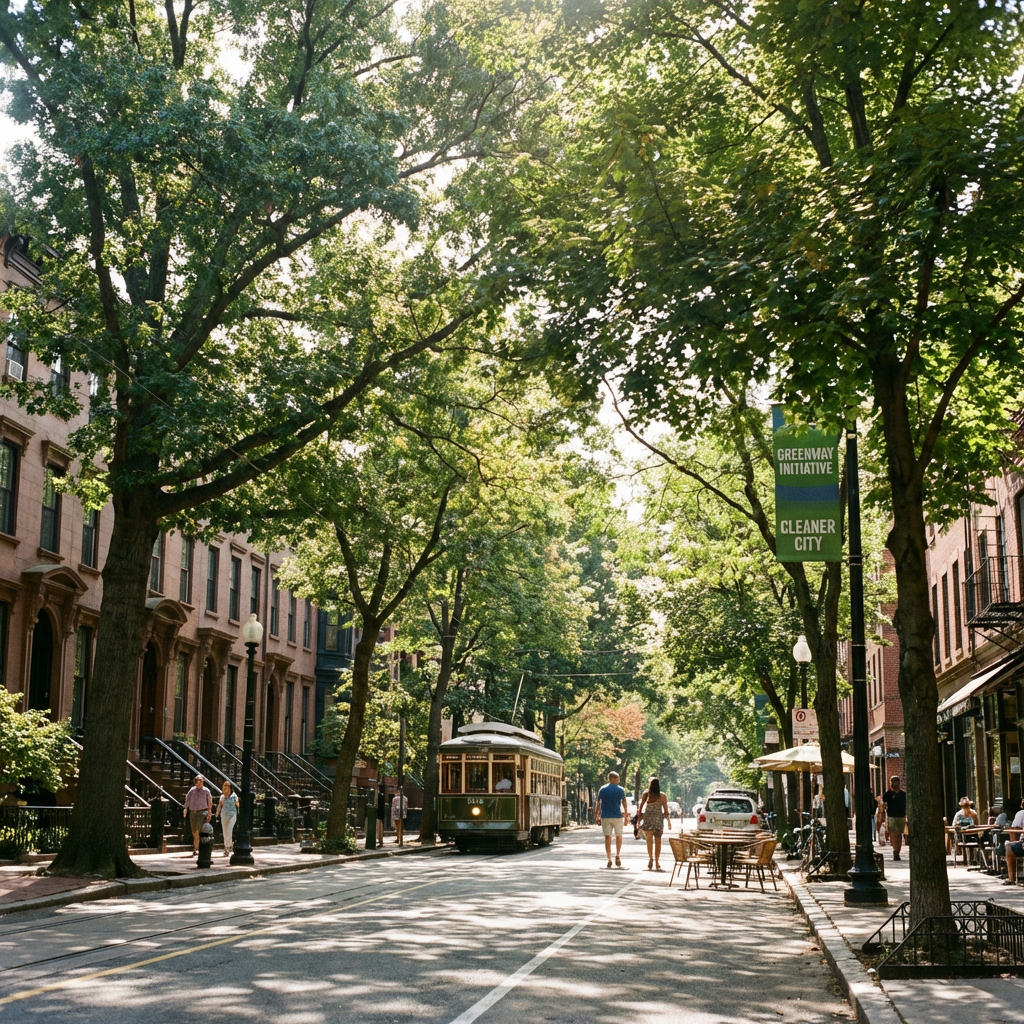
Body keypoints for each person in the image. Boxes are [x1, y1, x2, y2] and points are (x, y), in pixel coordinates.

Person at [595, 770, 629, 869]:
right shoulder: (620, 790)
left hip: (605, 816)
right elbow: (624, 803)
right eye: (617, 779)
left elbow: (598, 803)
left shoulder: (602, 789)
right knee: (619, 836)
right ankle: (618, 855)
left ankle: (609, 859)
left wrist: (597, 815)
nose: (618, 781)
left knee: (607, 837)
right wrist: (626, 816)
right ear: (613, 779)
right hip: (617, 816)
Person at [636, 776, 672, 871]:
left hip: (648, 819)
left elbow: (640, 809)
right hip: (658, 820)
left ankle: (651, 858)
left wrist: (639, 820)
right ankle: (657, 861)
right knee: (658, 841)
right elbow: (665, 810)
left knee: (649, 841)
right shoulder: (662, 795)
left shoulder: (646, 794)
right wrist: (668, 821)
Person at [183, 775, 213, 856]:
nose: (199, 783)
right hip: (193, 812)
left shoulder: (206, 791)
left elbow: (209, 802)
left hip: (202, 812)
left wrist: (209, 813)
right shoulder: (192, 790)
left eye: (200, 781)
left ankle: (197, 848)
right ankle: (196, 848)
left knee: (198, 831)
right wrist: (185, 809)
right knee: (194, 832)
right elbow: (187, 799)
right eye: (197, 781)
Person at [883, 776, 907, 861]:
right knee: (893, 834)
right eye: (892, 782)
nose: (894, 784)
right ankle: (895, 850)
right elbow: (884, 804)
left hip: (900, 816)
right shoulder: (888, 794)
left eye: (896, 782)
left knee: (899, 835)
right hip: (891, 816)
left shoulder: (903, 795)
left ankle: (897, 851)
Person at [1000, 805, 1024, 885]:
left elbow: (1014, 829)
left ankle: (1011, 878)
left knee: (1009, 847)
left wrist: (1014, 841)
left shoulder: (1021, 813)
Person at [216, 780, 239, 857]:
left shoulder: (234, 796)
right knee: (225, 832)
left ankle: (229, 845)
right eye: (224, 785)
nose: (225, 787)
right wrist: (217, 813)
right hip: (224, 815)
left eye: (227, 785)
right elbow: (220, 806)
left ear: (230, 787)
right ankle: (227, 847)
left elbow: (238, 804)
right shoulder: (222, 797)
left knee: (229, 829)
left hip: (232, 815)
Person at [376, 782, 387, 847]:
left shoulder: (379, 795)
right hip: (381, 814)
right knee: (380, 827)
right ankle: (380, 841)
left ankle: (380, 841)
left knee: (379, 828)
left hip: (378, 814)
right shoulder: (382, 796)